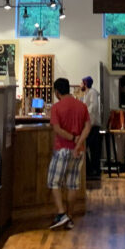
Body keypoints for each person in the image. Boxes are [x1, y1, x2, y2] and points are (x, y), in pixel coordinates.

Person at [48, 77, 91, 230]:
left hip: (61, 149)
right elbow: (87, 127)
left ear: (57, 92)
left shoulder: (56, 107)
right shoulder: (82, 106)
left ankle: (61, 213)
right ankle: (70, 217)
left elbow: (57, 129)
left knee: (54, 182)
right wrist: (78, 143)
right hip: (78, 151)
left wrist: (72, 138)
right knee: (72, 184)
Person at [80, 76, 102, 179]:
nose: (80, 85)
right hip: (90, 125)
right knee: (92, 149)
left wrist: (84, 112)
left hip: (93, 125)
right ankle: (92, 171)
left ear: (85, 83)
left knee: (88, 148)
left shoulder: (92, 92)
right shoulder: (87, 94)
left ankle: (92, 171)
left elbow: (94, 106)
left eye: (82, 83)